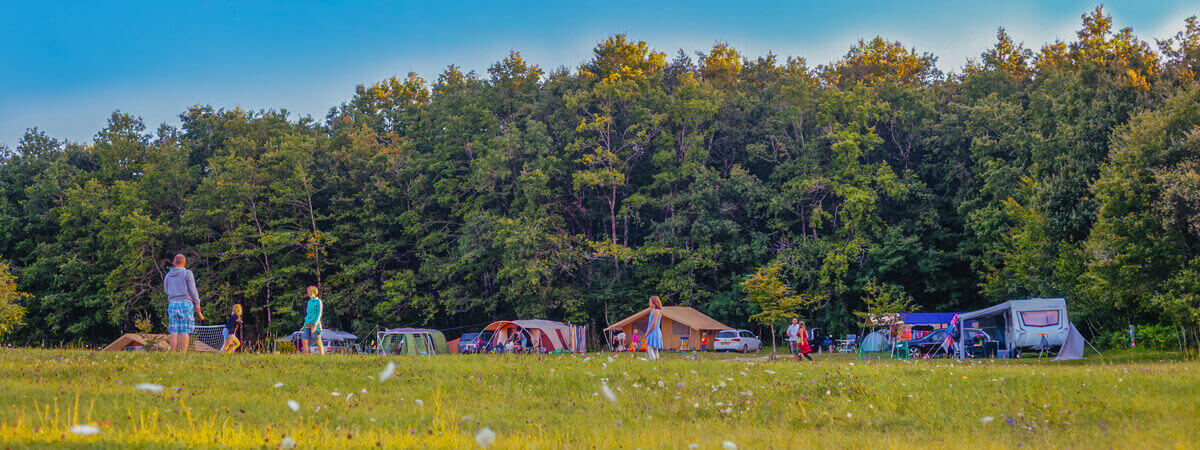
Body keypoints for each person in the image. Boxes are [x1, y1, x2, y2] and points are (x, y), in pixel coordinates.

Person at [164, 254, 204, 353]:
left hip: (172, 304)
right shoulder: (187, 273)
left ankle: (172, 353)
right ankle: (183, 353)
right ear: (184, 262)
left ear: (174, 263)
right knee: (184, 331)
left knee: (174, 331)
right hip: (185, 303)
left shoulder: (168, 275)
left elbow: (166, 290)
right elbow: (193, 290)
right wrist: (197, 303)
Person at [299, 286, 325, 355]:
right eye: (308, 292)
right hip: (307, 324)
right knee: (304, 340)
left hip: (315, 324)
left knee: (318, 341)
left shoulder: (318, 301)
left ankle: (322, 356)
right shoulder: (309, 302)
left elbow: (319, 314)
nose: (309, 293)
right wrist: (303, 326)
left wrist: (314, 325)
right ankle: (305, 357)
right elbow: (308, 315)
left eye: (311, 291)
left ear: (314, 292)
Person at [645, 296, 664, 360]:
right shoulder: (652, 311)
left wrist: (647, 332)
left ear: (654, 303)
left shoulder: (656, 311)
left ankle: (653, 361)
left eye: (650, 302)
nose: (649, 303)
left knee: (650, 348)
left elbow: (654, 324)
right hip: (652, 331)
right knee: (655, 349)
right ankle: (656, 362)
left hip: (654, 331)